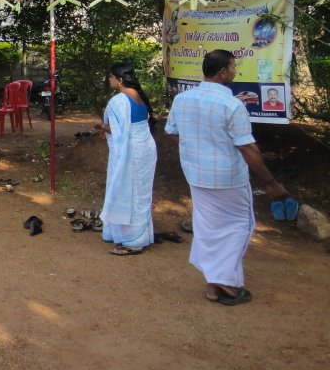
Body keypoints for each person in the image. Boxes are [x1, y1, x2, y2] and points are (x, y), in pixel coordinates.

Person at [165, 49, 289, 306]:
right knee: (238, 227)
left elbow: (172, 132)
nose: (235, 71)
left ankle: (213, 285)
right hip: (228, 178)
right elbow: (248, 148)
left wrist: (197, 148)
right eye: (233, 67)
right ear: (222, 72)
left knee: (208, 228)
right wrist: (270, 181)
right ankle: (225, 284)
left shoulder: (182, 100)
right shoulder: (232, 105)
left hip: (196, 174)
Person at [93, 63, 157, 256]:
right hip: (145, 149)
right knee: (139, 193)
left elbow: (120, 134)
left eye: (111, 77)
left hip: (131, 152)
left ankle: (133, 240)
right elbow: (132, 128)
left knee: (127, 191)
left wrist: (102, 126)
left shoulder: (118, 101)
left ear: (119, 80)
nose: (110, 80)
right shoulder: (138, 96)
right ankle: (135, 234)